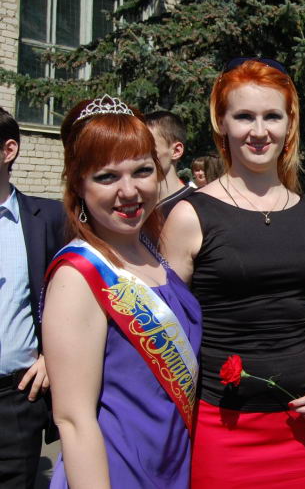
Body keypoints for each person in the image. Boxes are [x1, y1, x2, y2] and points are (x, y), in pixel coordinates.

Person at [161, 58, 305, 488]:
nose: (259, 131)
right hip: (224, 429)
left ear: (290, 124)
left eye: (272, 116)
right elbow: (168, 331)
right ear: (222, 123)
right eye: (244, 116)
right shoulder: (189, 216)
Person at [42, 95, 201, 488]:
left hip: (174, 462)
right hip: (116, 471)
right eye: (107, 177)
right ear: (78, 184)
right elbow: (73, 420)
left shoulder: (151, 250)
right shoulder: (78, 274)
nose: (129, 191)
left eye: (142, 171)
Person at [0, 107, 64, 488]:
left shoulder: (49, 219)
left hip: (15, 404)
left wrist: (52, 357)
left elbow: (74, 300)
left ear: (8, 150)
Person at [144, 110, 194, 218]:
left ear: (176, 151)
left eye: (149, 148)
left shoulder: (197, 206)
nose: (140, 156)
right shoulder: (137, 208)